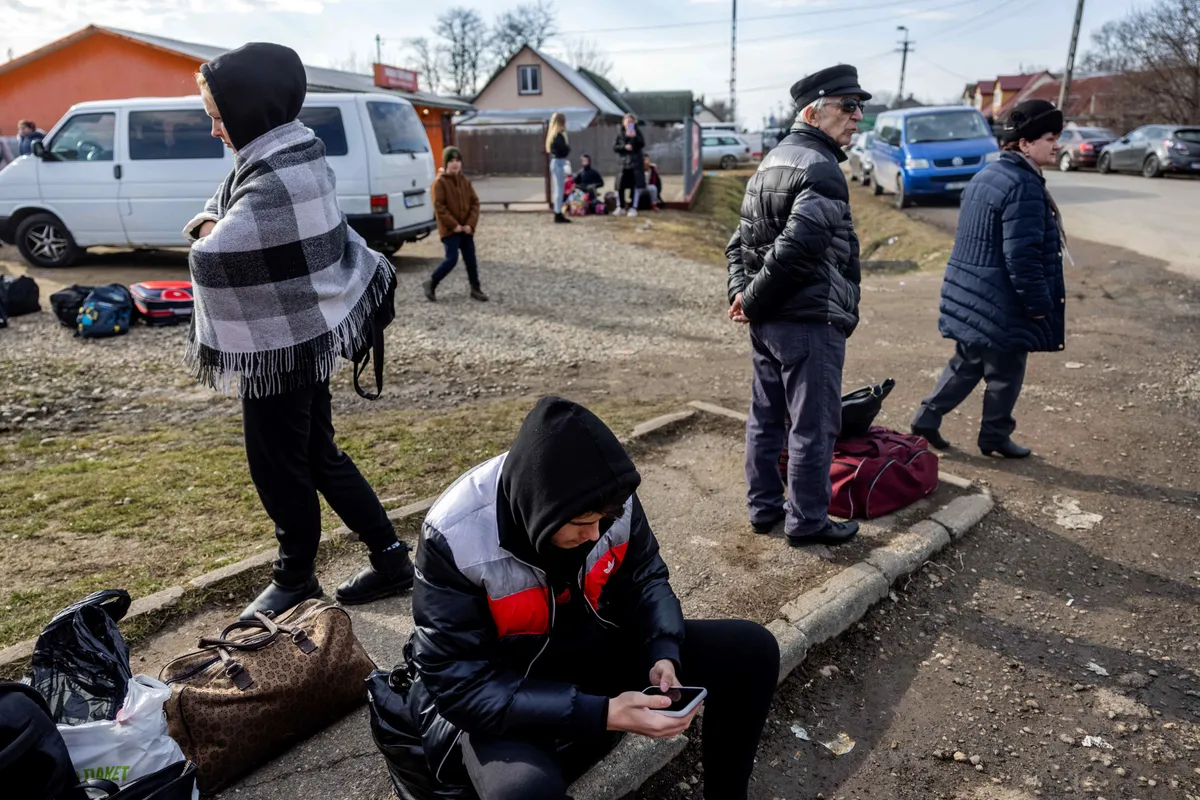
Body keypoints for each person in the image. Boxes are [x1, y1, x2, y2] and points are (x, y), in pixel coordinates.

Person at [407, 396, 780, 800]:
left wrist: (663, 650)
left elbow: (645, 577)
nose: (594, 534)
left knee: (752, 649)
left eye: (604, 521)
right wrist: (602, 714)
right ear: (541, 511)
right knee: (524, 792)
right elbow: (461, 686)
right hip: (508, 687)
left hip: (588, 653)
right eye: (583, 524)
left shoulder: (607, 499)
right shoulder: (455, 535)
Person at [185, 42, 414, 620]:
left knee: (277, 461)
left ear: (248, 109)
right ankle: (391, 560)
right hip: (307, 333)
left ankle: (295, 578)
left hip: (281, 343)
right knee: (318, 453)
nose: (214, 130)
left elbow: (213, 256)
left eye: (217, 115)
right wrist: (216, 219)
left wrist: (209, 227)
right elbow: (226, 214)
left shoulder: (273, 169)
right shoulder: (292, 149)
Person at [725, 64, 869, 547]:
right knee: (813, 425)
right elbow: (798, 249)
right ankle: (807, 522)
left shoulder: (771, 161)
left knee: (766, 417)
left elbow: (736, 244)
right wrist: (750, 299)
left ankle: (763, 509)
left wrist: (743, 296)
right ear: (813, 111)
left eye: (860, 107)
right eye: (847, 106)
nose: (857, 117)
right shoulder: (820, 166)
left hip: (770, 320)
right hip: (809, 318)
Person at [911, 99, 1067, 459]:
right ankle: (995, 436)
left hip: (973, 294)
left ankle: (926, 418)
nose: (1057, 145)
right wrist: (1039, 304)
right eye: (1049, 137)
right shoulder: (1023, 185)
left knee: (967, 362)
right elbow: (1022, 256)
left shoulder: (987, 175)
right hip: (1002, 301)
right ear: (1025, 143)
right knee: (1006, 372)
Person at [424, 146, 487, 303]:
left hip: (465, 229)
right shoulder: (439, 183)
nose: (455, 164)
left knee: (470, 258)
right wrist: (454, 225)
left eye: (457, 160)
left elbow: (475, 203)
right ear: (446, 163)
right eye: (451, 161)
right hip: (450, 230)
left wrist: (469, 225)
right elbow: (440, 207)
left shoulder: (465, 181)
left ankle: (475, 288)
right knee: (451, 259)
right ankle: (431, 282)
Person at [612, 113, 645, 217]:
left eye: (631, 122)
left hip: (635, 164)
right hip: (623, 164)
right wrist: (624, 147)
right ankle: (620, 207)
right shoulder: (619, 133)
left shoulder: (638, 132)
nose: (629, 124)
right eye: (627, 121)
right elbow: (615, 147)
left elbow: (642, 144)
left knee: (634, 186)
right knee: (620, 186)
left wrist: (634, 138)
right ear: (623, 122)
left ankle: (633, 207)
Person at [547, 112, 571, 225]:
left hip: (557, 162)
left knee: (559, 189)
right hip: (558, 162)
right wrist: (567, 148)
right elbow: (563, 150)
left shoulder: (553, 135)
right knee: (559, 189)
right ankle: (557, 213)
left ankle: (558, 211)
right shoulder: (559, 136)